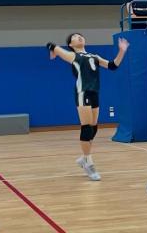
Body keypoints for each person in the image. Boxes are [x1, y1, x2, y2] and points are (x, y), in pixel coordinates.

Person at [47, 34, 129, 181]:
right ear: (71, 44)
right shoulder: (72, 55)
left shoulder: (94, 56)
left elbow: (112, 66)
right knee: (86, 127)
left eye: (80, 36)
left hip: (94, 92)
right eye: (75, 37)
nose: (79, 37)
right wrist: (53, 51)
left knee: (93, 128)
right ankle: (88, 163)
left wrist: (122, 51)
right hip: (82, 92)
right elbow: (51, 44)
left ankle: (84, 158)